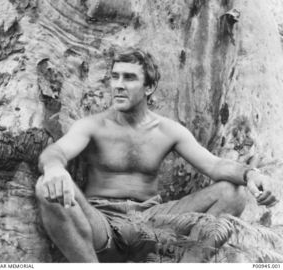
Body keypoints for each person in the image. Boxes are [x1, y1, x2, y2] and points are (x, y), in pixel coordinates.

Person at [35, 49, 278, 263]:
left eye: (129, 78)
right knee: (46, 187)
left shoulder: (167, 130)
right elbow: (56, 152)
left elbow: (213, 165)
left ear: (149, 87)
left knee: (233, 193)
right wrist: (55, 169)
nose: (118, 84)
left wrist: (250, 174)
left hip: (153, 223)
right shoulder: (92, 126)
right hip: (101, 222)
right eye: (115, 77)